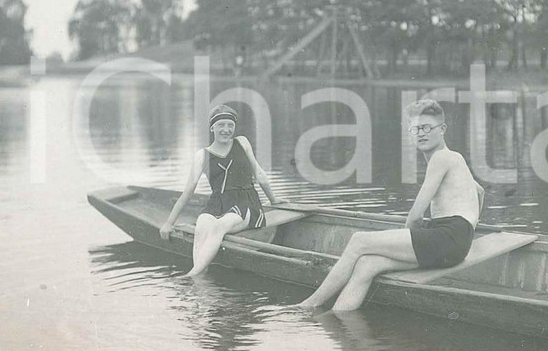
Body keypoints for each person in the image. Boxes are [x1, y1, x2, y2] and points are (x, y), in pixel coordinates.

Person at [298, 99, 485, 311]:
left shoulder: (440, 158)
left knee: (359, 241)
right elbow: (480, 191)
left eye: (426, 127)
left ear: (442, 129)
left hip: (447, 238)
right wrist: (472, 225)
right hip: (457, 244)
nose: (420, 134)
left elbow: (415, 216)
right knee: (367, 264)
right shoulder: (455, 158)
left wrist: (405, 242)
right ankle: (338, 318)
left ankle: (309, 304)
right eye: (415, 129)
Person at [160, 104, 286, 277]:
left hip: (246, 202)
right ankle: (201, 275)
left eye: (230, 125)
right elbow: (188, 192)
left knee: (220, 226)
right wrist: (169, 223)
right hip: (218, 203)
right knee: (202, 222)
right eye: (221, 125)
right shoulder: (202, 155)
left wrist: (273, 200)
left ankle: (192, 275)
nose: (226, 130)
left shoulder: (242, 142)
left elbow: (258, 172)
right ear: (212, 127)